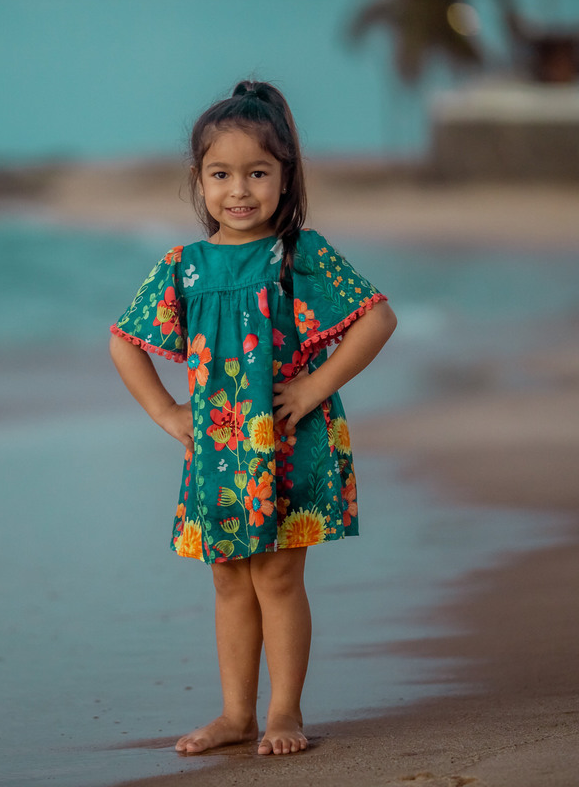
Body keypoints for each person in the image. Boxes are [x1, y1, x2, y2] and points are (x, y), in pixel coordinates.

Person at [108, 80, 397, 756]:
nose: (239, 190)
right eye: (221, 175)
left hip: (290, 439)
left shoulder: (298, 255)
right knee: (229, 579)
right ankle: (236, 715)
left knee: (277, 577)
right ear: (198, 181)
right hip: (218, 449)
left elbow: (377, 319)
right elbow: (124, 341)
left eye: (258, 173)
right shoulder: (184, 268)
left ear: (285, 176)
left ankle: (283, 713)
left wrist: (314, 386)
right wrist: (167, 412)